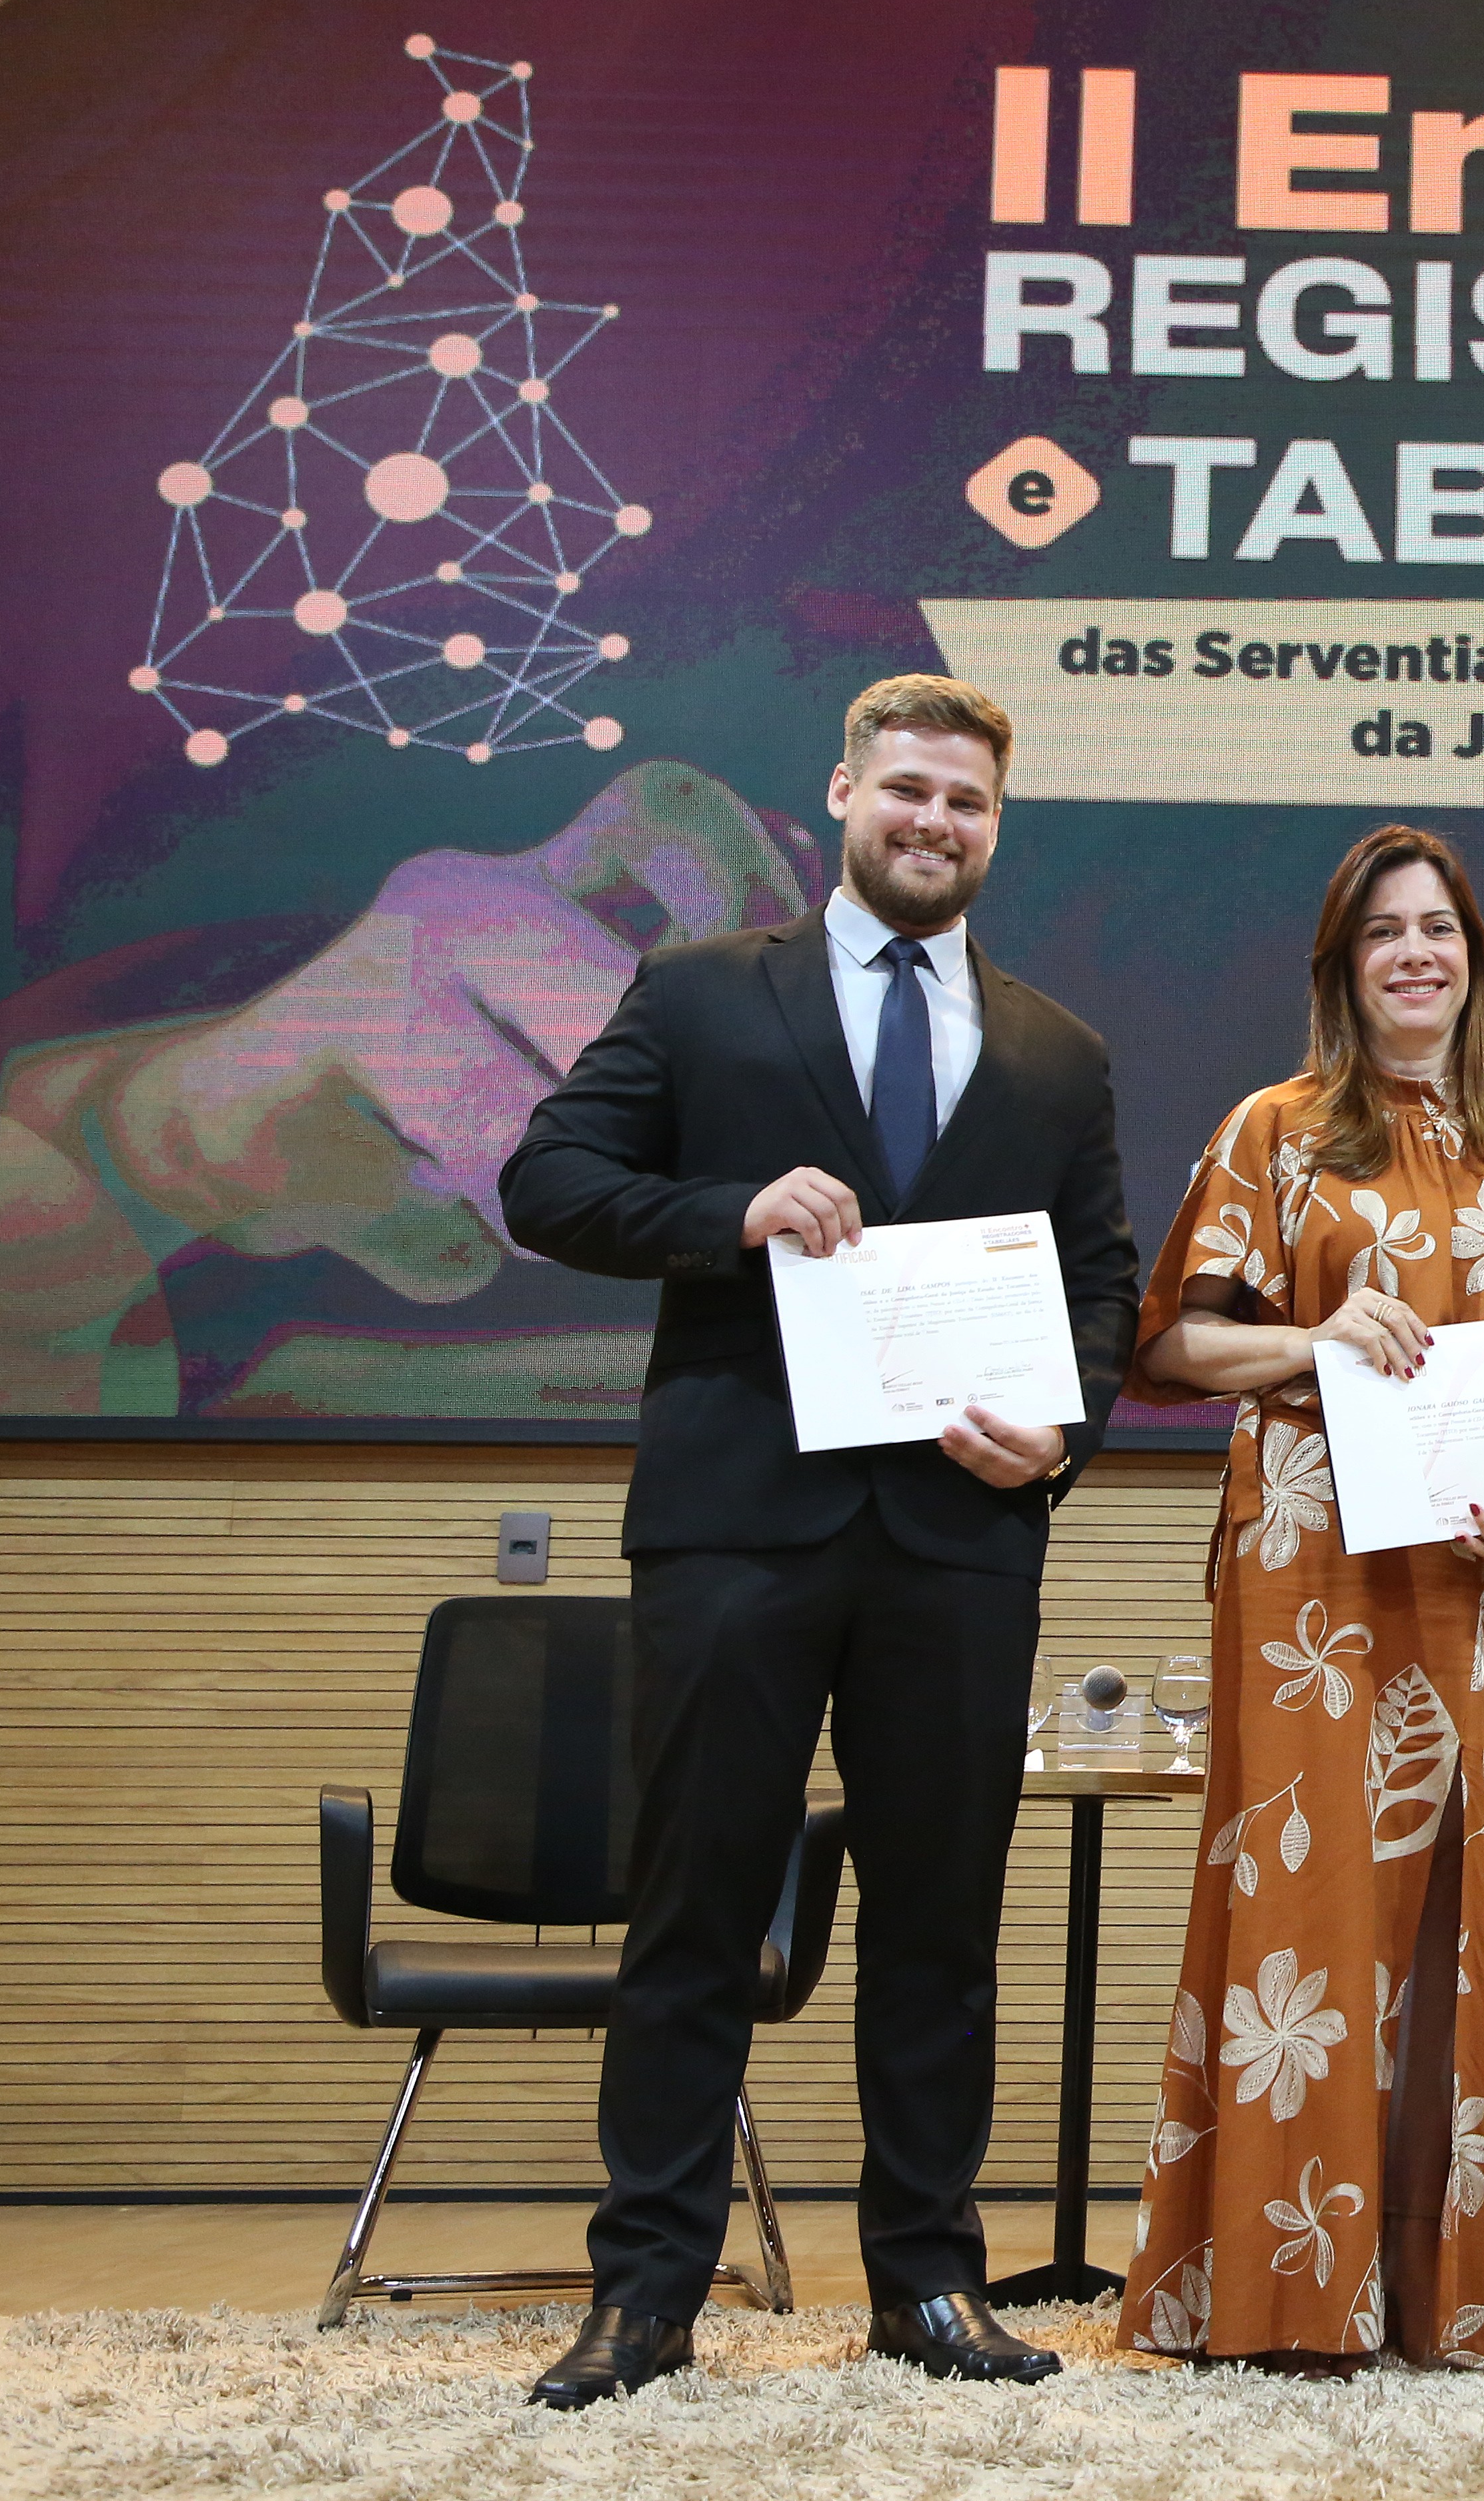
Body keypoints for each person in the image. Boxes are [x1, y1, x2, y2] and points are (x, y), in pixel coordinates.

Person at [497, 674, 1140, 2406]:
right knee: (694, 1913)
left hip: (960, 1542)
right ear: (846, 792)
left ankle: (927, 2284)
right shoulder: (702, 991)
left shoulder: (1059, 1049)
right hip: (738, 1529)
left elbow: (1100, 1288)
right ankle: (647, 2295)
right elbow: (548, 1184)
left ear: (997, 827)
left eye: (969, 802)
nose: (937, 821)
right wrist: (735, 1212)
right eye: (909, 788)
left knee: (941, 1929)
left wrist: (1062, 1436)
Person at [1117, 823, 1484, 2374]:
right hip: (1312, 1574)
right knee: (1310, 1910)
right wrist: (1317, 1339)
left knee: (1466, 1911)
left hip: (1483, 1569)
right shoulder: (1275, 1132)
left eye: (1438, 929)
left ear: (1476, 959)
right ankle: (1285, 2294)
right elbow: (1172, 1345)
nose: (1415, 954)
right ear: (1342, 968)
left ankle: (1454, 2291)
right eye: (1383, 932)